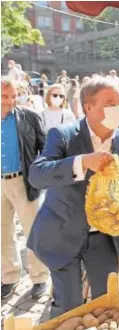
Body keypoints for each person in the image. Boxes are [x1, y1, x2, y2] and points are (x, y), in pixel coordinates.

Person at [27, 78, 119, 317]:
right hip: (62, 233)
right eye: (110, 103)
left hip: (103, 239)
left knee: (104, 303)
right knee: (68, 306)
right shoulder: (63, 135)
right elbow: (37, 175)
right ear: (88, 107)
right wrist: (83, 162)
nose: (118, 108)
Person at [1, 79, 49, 300]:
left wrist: (40, 174)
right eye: (4, 97)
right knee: (3, 233)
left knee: (34, 232)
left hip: (23, 181)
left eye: (13, 96)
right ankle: (9, 276)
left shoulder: (28, 117)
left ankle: (39, 277)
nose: (10, 102)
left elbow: (46, 148)